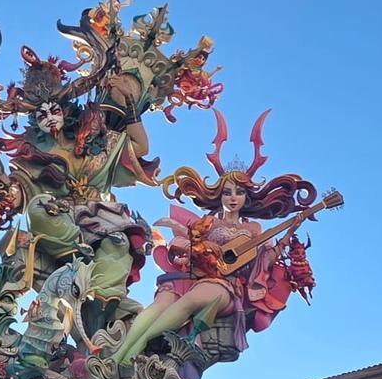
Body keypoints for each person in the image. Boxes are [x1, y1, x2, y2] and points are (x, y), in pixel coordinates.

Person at [116, 111, 317, 362]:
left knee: (188, 302)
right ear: (219, 195)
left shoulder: (253, 229)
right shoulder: (208, 222)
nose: (233, 198)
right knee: (159, 305)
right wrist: (199, 247)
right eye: (227, 192)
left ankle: (137, 349)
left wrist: (289, 233)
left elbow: (263, 262)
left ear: (246, 198)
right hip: (190, 276)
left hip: (223, 286)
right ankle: (118, 356)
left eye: (239, 193)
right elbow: (187, 246)